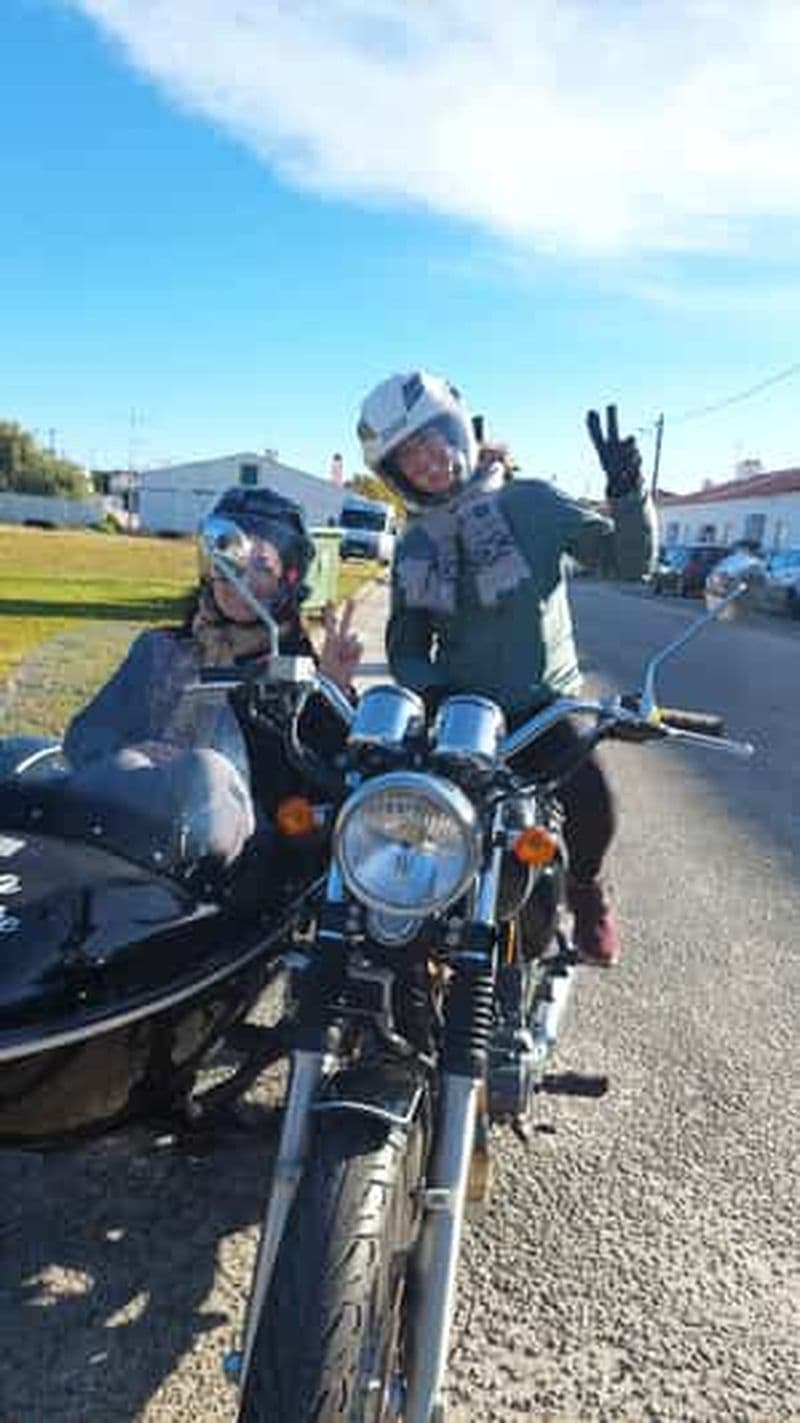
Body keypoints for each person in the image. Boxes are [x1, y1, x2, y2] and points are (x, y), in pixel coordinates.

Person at [356, 370, 657, 966]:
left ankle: (587, 892)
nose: (426, 461)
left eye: (429, 439)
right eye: (406, 456)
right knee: (406, 821)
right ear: (395, 475)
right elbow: (407, 645)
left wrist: (627, 493)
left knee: (594, 802)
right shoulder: (415, 544)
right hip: (462, 717)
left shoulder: (533, 502)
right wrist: (432, 692)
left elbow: (629, 563)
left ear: (457, 430)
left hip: (545, 709)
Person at [63, 485, 362, 872]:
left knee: (204, 770)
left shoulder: (295, 671)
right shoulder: (160, 649)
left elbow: (327, 783)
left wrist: (334, 689)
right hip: (130, 843)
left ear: (288, 579)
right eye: (230, 562)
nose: (241, 579)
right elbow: (84, 736)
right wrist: (135, 754)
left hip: (240, 866)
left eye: (261, 567)